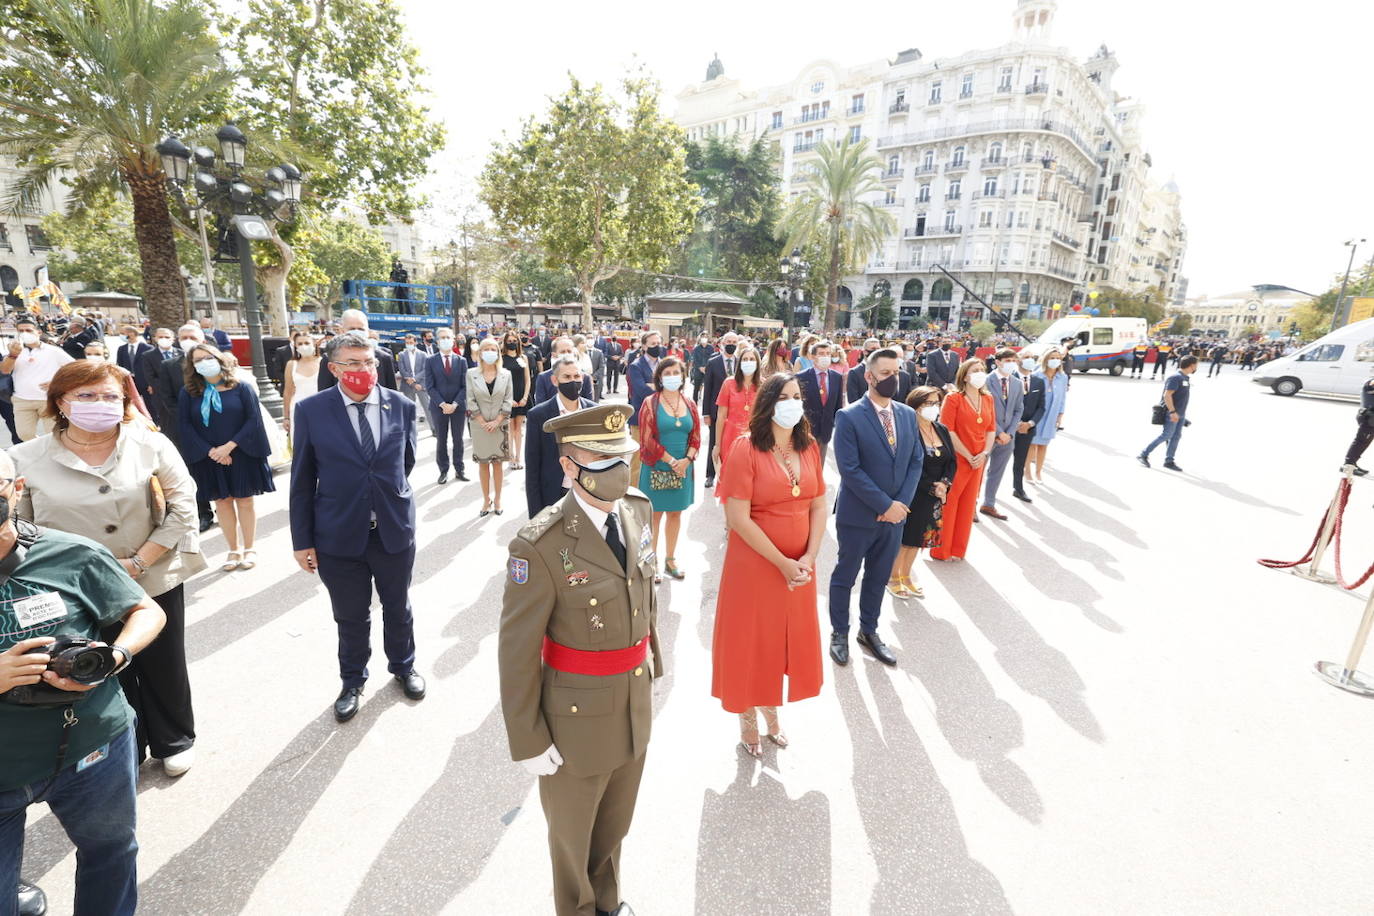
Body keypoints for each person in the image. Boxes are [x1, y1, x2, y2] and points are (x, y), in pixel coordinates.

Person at [498, 403, 659, 916]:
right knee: (573, 838)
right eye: (603, 457)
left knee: (615, 825)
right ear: (569, 464)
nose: (619, 468)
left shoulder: (637, 509)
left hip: (633, 700)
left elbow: (644, 597)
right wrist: (527, 737)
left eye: (623, 456)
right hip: (574, 718)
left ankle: (608, 904)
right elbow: (517, 650)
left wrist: (652, 666)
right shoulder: (540, 544)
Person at [10, 359, 206, 778]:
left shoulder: (151, 445)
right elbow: (19, 528)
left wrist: (139, 561)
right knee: (91, 664)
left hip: (149, 574)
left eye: (109, 396)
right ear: (60, 402)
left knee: (162, 660)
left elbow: (183, 508)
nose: (100, 404)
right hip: (71, 590)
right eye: (86, 395)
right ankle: (124, 746)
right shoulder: (25, 457)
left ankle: (175, 739)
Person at [0, 448, 167, 916]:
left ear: (15, 490)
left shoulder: (71, 552)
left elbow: (145, 610)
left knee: (111, 854)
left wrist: (116, 654)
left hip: (92, 748)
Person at [290, 331, 424, 723]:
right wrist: (302, 540)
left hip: (392, 530)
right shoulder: (312, 411)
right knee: (351, 615)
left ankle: (403, 666)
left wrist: (383, 497)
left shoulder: (399, 405)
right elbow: (301, 481)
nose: (363, 370)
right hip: (337, 535)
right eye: (352, 363)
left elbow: (407, 463)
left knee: (398, 607)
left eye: (368, 362)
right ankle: (352, 680)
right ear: (333, 368)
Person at [711, 372, 826, 757]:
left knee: (780, 642)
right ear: (768, 403)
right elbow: (738, 518)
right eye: (785, 396)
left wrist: (809, 556)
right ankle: (748, 720)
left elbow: (818, 503)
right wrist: (781, 562)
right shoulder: (746, 448)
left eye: (798, 396)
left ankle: (771, 711)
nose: (793, 402)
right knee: (751, 643)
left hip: (798, 568)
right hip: (756, 565)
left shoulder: (808, 446)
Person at [829, 348, 921, 667]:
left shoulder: (908, 415)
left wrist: (899, 506)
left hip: (895, 517)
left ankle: (869, 631)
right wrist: (883, 504)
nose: (893, 379)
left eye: (897, 372)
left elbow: (915, 461)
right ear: (869, 376)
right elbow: (850, 469)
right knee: (846, 575)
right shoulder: (850, 416)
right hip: (858, 515)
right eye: (886, 373)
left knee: (879, 576)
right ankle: (840, 632)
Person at [177, 343, 274, 571]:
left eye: (207, 357)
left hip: (241, 452)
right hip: (208, 456)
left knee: (245, 501)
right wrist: (212, 451)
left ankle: (249, 547)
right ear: (192, 366)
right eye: (198, 360)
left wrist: (229, 447)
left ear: (218, 358)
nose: (204, 363)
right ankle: (233, 549)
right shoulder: (188, 393)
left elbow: (253, 420)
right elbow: (185, 425)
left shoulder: (241, 387)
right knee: (222, 502)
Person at [635, 357, 700, 583]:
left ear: (683, 376)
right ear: (660, 377)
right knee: (654, 516)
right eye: (667, 373)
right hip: (657, 466)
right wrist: (673, 461)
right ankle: (651, 560)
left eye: (676, 372)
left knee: (675, 514)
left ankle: (670, 559)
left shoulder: (690, 403)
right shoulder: (650, 403)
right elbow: (647, 440)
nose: (673, 376)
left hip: (683, 469)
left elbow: (696, 437)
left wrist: (686, 461)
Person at [887, 386, 956, 599]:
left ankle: (906, 576)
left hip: (935, 495)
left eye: (936, 403)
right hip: (914, 492)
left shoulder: (941, 429)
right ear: (915, 406)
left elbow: (952, 461)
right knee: (906, 538)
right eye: (928, 404)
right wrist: (931, 487)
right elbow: (910, 465)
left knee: (919, 539)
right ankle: (892, 578)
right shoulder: (908, 431)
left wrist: (944, 483)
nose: (933, 408)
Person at [930, 359, 995, 562]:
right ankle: (941, 549)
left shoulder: (988, 399)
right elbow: (947, 430)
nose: (980, 373)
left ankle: (958, 549)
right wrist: (968, 455)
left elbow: (991, 429)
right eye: (975, 370)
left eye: (982, 370)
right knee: (949, 504)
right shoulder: (954, 398)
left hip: (978, 460)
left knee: (968, 506)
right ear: (965, 376)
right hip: (958, 459)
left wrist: (984, 453)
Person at [525, 357, 596, 519]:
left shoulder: (594, 413)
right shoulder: (538, 415)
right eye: (567, 377)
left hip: (589, 494)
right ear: (555, 380)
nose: (573, 381)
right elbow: (533, 469)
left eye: (577, 377)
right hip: (554, 495)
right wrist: (536, 515)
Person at [1, 316, 74, 441]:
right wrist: (13, 355)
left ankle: (52, 455)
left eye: (28, 330)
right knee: (24, 435)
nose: (25, 333)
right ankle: (41, 450)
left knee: (53, 434)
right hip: (22, 400)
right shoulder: (14, 351)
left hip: (48, 399)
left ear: (38, 332)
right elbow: (5, 370)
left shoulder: (53, 351)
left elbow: (75, 369)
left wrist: (58, 383)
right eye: (21, 331)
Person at [467, 338, 513, 516]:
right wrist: (482, 421)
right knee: (483, 464)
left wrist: (497, 420)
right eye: (486, 349)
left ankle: (498, 498)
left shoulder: (506, 374)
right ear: (480, 353)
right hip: (479, 426)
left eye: (493, 349)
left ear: (498, 353)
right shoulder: (471, 374)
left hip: (499, 425)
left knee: (498, 464)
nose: (490, 352)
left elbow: (508, 400)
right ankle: (486, 499)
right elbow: (470, 399)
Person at [978, 348, 1025, 521]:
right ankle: (971, 505)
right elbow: (983, 408)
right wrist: (998, 432)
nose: (1012, 363)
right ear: (998, 362)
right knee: (979, 471)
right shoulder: (986, 381)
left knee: (997, 472)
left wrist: (1010, 433)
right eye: (1008, 360)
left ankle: (988, 504)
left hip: (1007, 438)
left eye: (1014, 360)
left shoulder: (1017, 382)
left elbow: (1019, 409)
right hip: (987, 434)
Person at [1138, 354, 1198, 472]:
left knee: (1176, 437)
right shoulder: (1176, 377)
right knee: (1167, 435)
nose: (1197, 367)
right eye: (1196, 365)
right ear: (1191, 365)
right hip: (1172, 413)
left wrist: (1182, 416)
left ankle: (1169, 461)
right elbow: (1167, 395)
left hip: (1180, 413)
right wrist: (1173, 412)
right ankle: (1143, 454)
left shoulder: (1185, 378)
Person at [425, 328, 469, 485]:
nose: (445, 340)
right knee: (441, 440)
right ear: (437, 342)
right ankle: (443, 470)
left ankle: (459, 469)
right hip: (438, 407)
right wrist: (443, 404)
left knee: (458, 439)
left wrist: (455, 403)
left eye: (448, 337)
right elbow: (429, 386)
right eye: (442, 338)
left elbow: (465, 386)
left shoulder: (461, 361)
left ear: (453, 340)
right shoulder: (430, 361)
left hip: (458, 407)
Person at [315, 309, 398, 391]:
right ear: (342, 331)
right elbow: (323, 395)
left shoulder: (384, 358)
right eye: (352, 329)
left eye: (361, 329)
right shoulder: (329, 358)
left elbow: (391, 394)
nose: (357, 332)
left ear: (368, 332)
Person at [711, 344, 761, 478]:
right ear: (739, 362)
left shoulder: (764, 385)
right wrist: (717, 444)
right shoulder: (729, 383)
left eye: (752, 359)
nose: (748, 362)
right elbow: (721, 416)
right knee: (730, 477)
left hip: (755, 438)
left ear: (757, 362)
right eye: (745, 359)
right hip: (730, 437)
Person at [700, 331, 740, 489]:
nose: (731, 344)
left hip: (736, 412)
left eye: (734, 342)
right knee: (714, 442)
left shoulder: (741, 362)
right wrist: (706, 413)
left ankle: (731, 475)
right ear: (722, 343)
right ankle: (711, 474)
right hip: (716, 411)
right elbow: (708, 389)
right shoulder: (713, 362)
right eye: (728, 341)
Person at [796, 339, 842, 464]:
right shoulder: (801, 377)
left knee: (819, 467)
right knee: (804, 466)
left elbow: (838, 405)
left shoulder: (837, 377)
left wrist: (834, 424)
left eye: (828, 353)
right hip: (806, 431)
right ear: (812, 356)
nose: (825, 357)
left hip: (825, 431)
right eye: (821, 353)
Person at [1027, 347, 1069, 484]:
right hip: (1037, 414)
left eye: (1058, 358)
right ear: (1046, 360)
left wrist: (1060, 414)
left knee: (1043, 445)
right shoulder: (1037, 375)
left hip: (1052, 415)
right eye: (1052, 358)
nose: (1055, 360)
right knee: (1032, 444)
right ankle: (1027, 471)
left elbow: (1063, 397)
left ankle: (1038, 472)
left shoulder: (1062, 377)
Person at [1010, 352, 1047, 503]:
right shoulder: (1010, 378)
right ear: (1018, 360)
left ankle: (1018, 489)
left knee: (1020, 460)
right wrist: (1015, 423)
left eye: (1033, 358)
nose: (1030, 360)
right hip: (1008, 427)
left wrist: (1030, 424)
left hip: (1027, 429)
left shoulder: (1038, 381)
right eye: (1026, 357)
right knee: (995, 462)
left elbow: (1041, 407)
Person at [282, 330, 321, 445]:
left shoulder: (322, 362)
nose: (303, 346)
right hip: (298, 409)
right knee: (301, 444)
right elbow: (287, 392)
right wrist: (286, 417)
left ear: (314, 344)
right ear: (295, 346)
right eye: (300, 344)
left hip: (320, 407)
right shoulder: (291, 365)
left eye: (307, 343)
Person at [502, 329, 533, 469]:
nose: (512, 343)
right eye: (509, 341)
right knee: (509, 428)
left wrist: (525, 397)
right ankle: (511, 458)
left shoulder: (523, 357)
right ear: (505, 342)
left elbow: (528, 380)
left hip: (522, 397)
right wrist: (508, 399)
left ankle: (519, 458)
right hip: (508, 397)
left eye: (514, 341)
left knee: (518, 429)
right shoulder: (501, 358)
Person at [533, 337, 594, 404]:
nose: (566, 354)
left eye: (569, 351)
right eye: (563, 352)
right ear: (554, 355)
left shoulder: (585, 377)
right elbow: (540, 406)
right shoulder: (543, 378)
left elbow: (589, 408)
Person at [1342, 375, 1374, 475]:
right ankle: (1348, 465)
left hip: (1369, 418)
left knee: (1363, 443)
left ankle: (1352, 464)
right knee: (1360, 442)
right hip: (1369, 418)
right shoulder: (1372, 382)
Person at [396, 333, 431, 424]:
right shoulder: (401, 355)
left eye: (411, 342)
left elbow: (425, 369)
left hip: (421, 385)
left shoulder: (423, 354)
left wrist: (415, 379)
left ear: (415, 342)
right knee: (409, 410)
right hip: (408, 385)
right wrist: (413, 383)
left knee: (428, 408)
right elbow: (402, 370)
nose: (409, 344)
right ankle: (411, 431)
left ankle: (434, 429)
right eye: (407, 342)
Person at [844, 338, 882, 404]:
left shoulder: (884, 371)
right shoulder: (854, 372)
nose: (876, 351)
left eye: (878, 349)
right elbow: (853, 399)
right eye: (873, 349)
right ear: (865, 352)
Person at [689, 334, 713, 403]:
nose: (704, 338)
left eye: (706, 337)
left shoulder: (710, 348)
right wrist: (700, 367)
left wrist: (706, 367)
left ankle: (707, 403)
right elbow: (694, 359)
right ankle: (694, 403)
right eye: (703, 337)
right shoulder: (696, 348)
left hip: (707, 370)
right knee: (696, 388)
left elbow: (712, 358)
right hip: (698, 370)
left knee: (708, 388)